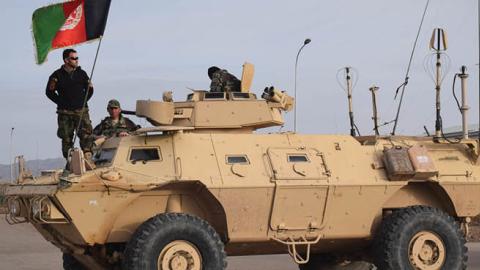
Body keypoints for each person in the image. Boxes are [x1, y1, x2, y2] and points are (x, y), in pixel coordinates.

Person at [45, 48, 94, 162]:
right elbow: (49, 92)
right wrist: (60, 102)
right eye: (73, 58)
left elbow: (90, 90)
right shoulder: (56, 75)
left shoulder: (82, 74)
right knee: (66, 138)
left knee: (86, 135)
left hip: (81, 111)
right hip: (65, 112)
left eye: (77, 58)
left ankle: (88, 159)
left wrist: (83, 101)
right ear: (66, 60)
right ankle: (71, 162)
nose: (76, 60)